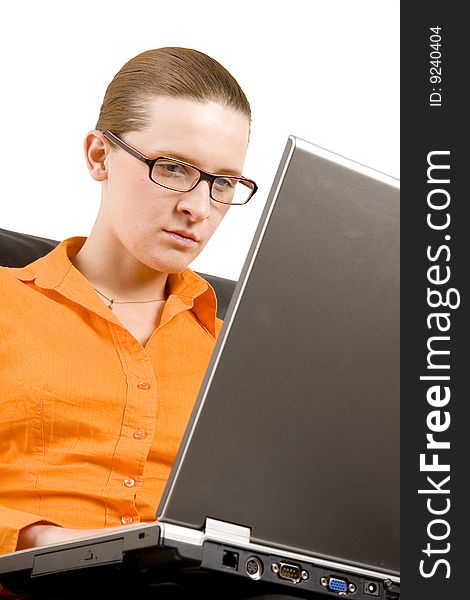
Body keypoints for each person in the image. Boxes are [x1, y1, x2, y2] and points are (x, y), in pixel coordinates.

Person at [0, 47, 256, 554]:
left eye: (223, 182)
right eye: (174, 168)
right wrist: (43, 537)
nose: (198, 208)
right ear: (99, 156)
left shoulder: (239, 354)